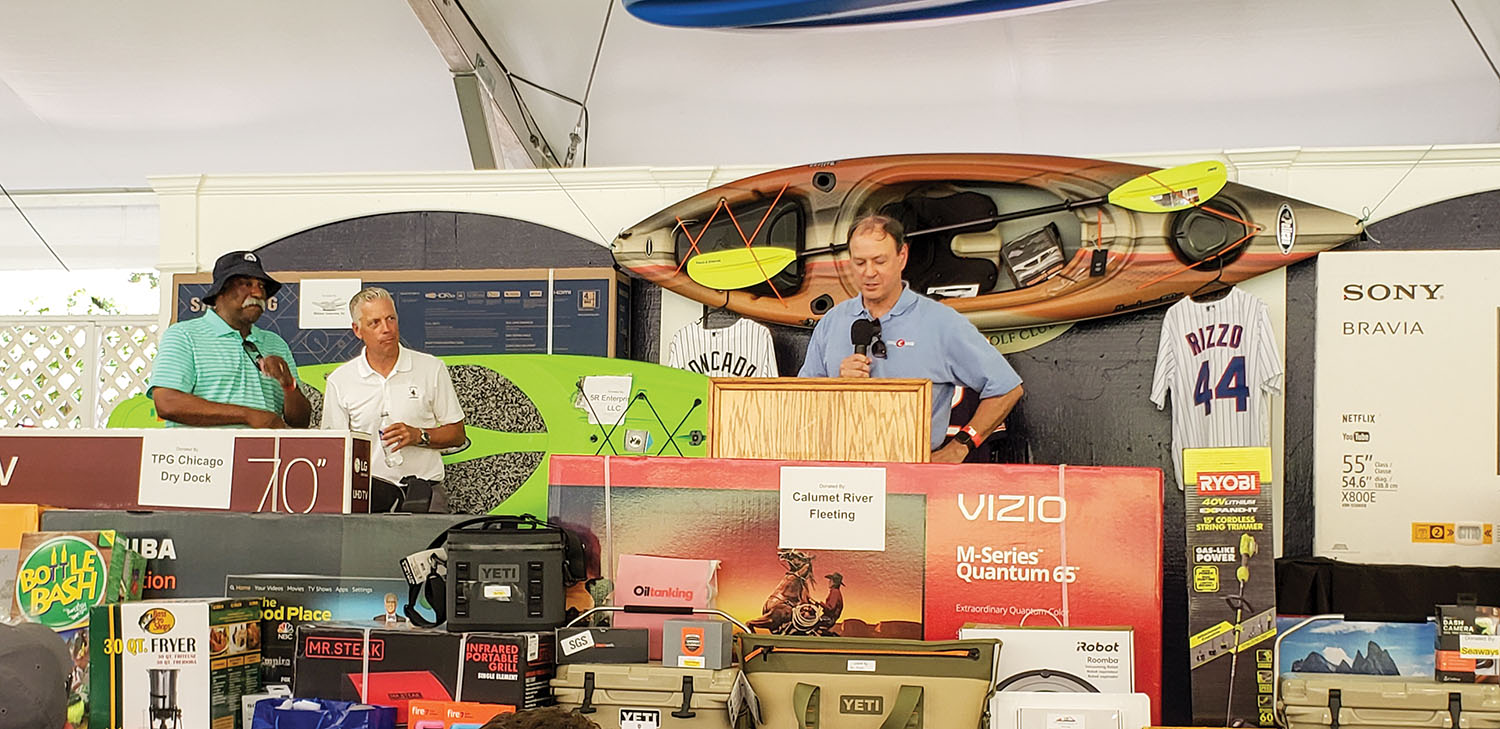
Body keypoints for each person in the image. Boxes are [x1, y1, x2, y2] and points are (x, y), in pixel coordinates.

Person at [799, 214, 1024, 463]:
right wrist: (837, 384)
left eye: (879, 261)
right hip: (837, 473)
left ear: (902, 256)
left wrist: (960, 446)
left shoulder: (941, 322)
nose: (869, 272)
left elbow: (1006, 388)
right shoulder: (832, 322)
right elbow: (803, 406)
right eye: (860, 262)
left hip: (911, 475)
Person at [321, 287, 466, 486]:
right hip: (367, 494)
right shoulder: (340, 381)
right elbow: (334, 450)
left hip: (425, 490)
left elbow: (457, 434)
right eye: (375, 323)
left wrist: (420, 435)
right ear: (357, 330)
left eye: (391, 319)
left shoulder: (431, 368)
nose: (386, 328)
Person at [149, 251, 311, 428]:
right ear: (221, 290)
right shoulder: (184, 335)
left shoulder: (275, 343)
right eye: (245, 284)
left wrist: (288, 385)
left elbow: (300, 422)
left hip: (261, 454)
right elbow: (167, 403)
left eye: (262, 286)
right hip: (200, 454)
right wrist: (247, 415)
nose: (257, 293)